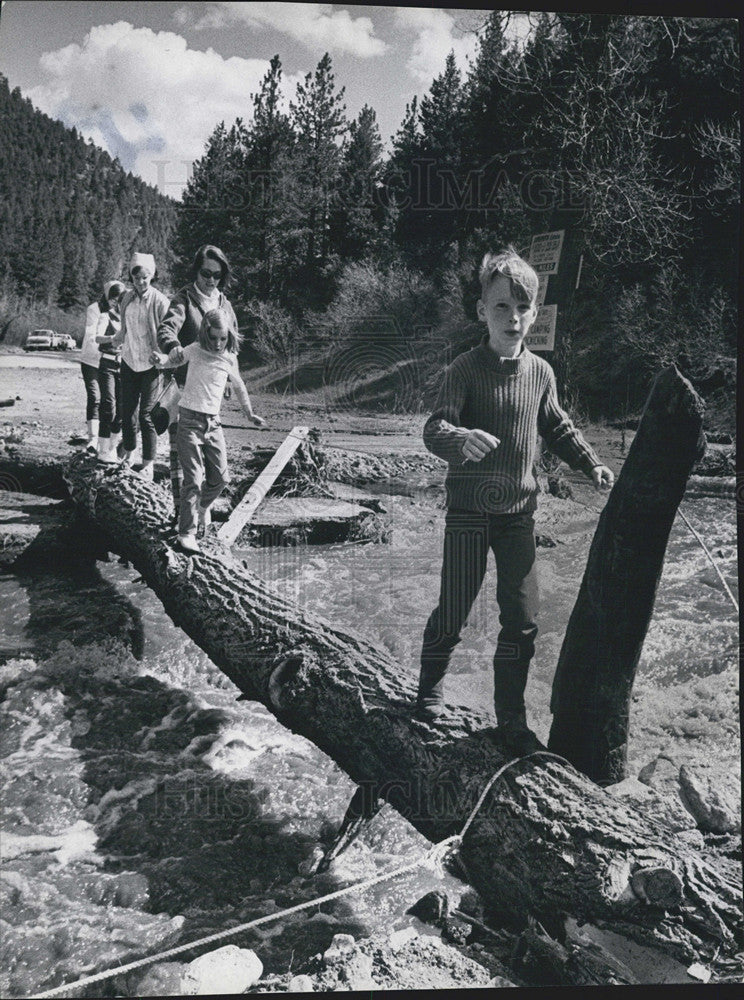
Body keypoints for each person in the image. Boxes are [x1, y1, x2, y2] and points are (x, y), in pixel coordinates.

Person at [415, 246, 614, 752]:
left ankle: (511, 720)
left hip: (518, 517)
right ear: (482, 311)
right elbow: (434, 428)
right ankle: (429, 689)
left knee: (523, 619)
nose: (514, 317)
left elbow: (558, 426)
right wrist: (459, 439)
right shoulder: (464, 369)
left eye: (524, 307)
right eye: (502, 306)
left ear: (535, 313)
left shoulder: (541, 374)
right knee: (454, 610)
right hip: (467, 514)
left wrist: (590, 463)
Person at [151, 307, 265, 554]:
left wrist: (249, 413)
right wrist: (160, 360)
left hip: (213, 424)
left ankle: (202, 508)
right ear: (205, 333)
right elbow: (172, 360)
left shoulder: (229, 357)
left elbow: (239, 385)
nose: (217, 343)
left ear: (229, 335)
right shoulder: (195, 349)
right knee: (192, 479)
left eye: (222, 338)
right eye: (213, 337)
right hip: (189, 421)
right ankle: (186, 534)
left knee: (222, 478)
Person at [157, 245, 238, 507]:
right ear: (196, 271)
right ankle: (180, 520)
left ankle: (200, 511)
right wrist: (173, 347)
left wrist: (229, 378)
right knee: (183, 463)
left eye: (217, 275)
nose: (211, 280)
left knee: (213, 465)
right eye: (206, 273)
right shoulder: (184, 299)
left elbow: (233, 345)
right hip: (183, 390)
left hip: (211, 396)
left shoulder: (225, 305)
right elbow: (167, 328)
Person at [109, 253, 170, 480]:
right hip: (129, 361)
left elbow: (169, 332)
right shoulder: (126, 299)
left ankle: (149, 464)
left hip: (151, 364)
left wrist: (165, 355)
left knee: (146, 415)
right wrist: (112, 341)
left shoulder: (160, 301)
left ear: (151, 276)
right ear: (132, 279)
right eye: (137, 278)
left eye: (145, 278)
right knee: (127, 412)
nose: (141, 282)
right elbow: (124, 330)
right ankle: (129, 456)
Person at [78, 281, 126, 451]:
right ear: (107, 296)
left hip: (112, 361)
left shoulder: (123, 312)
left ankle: (109, 443)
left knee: (113, 403)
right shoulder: (95, 309)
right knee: (95, 397)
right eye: (112, 298)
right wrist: (107, 343)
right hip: (92, 359)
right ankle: (92, 438)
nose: (115, 302)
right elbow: (91, 334)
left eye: (119, 299)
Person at [94, 282, 127, 463]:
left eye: (123, 300)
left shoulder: (128, 320)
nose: (120, 304)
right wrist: (113, 339)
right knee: (109, 406)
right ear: (112, 301)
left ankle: (112, 449)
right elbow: (97, 338)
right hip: (107, 363)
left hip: (124, 366)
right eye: (117, 300)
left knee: (122, 410)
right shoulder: (105, 316)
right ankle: (103, 448)